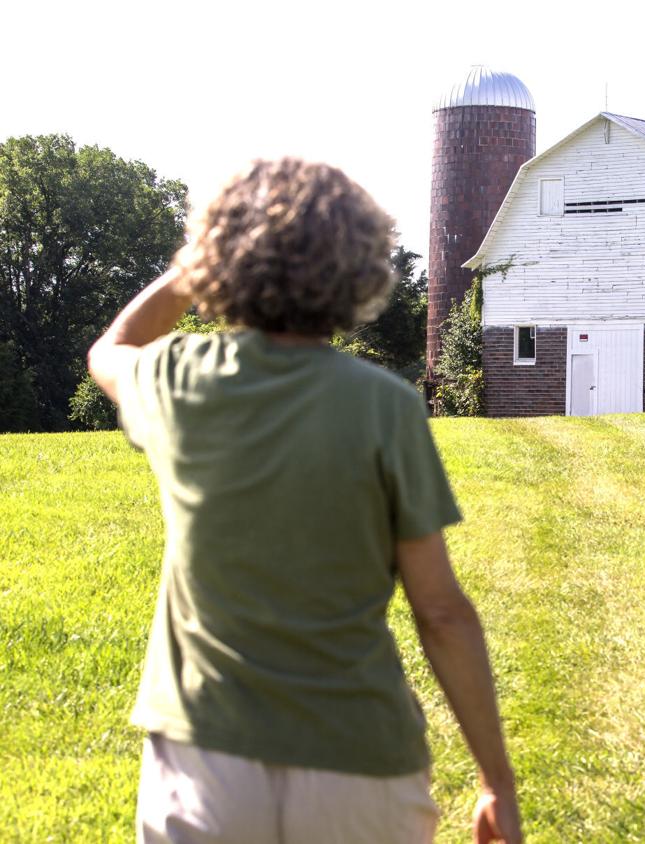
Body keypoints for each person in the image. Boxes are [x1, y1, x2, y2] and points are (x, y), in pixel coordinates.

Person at [88, 158, 521, 843]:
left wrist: (193, 267)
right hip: (362, 764)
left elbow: (112, 348)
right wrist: (496, 779)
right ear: (360, 270)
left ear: (221, 264)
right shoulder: (388, 407)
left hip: (207, 757)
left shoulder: (181, 381)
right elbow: (439, 611)